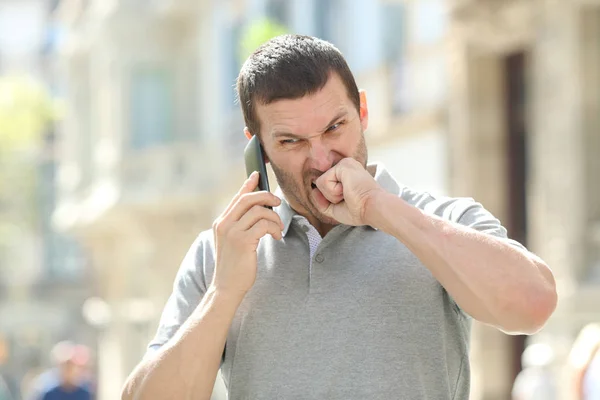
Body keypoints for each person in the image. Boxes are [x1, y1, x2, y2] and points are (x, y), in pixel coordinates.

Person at [121, 34, 558, 400]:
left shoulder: (444, 219)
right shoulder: (223, 251)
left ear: (362, 112)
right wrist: (223, 291)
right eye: (291, 141)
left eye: (335, 127)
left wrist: (381, 209)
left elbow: (533, 307)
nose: (322, 158)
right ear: (257, 148)